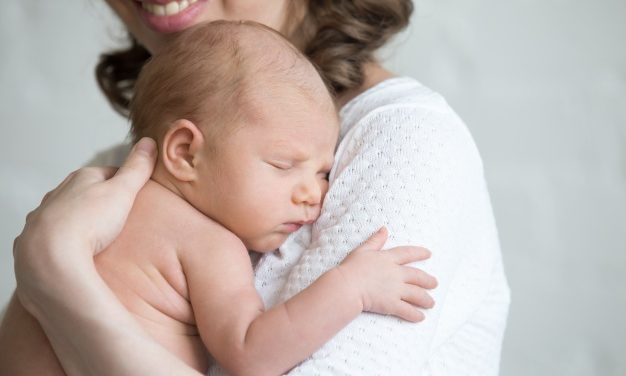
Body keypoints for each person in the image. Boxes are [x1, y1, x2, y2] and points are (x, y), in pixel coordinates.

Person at [4, 1, 511, 375]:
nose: (313, 194)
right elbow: (250, 349)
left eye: (323, 173)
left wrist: (57, 271)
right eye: (284, 164)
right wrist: (350, 287)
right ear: (185, 152)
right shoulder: (204, 235)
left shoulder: (404, 140)